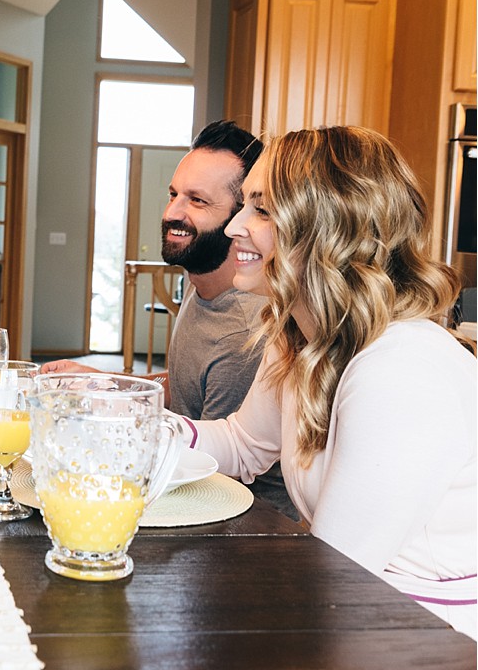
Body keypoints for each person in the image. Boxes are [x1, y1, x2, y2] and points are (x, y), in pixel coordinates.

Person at [191, 126, 476, 639]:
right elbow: (241, 443)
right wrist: (129, 425)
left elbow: (333, 575)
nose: (234, 225)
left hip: (430, 646)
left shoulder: (401, 372)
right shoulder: (301, 336)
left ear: (326, 228)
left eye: (261, 208)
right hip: (352, 613)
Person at [43, 120, 298, 519]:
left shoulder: (244, 333)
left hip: (234, 524)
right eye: (174, 194)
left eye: (197, 201)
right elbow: (186, 391)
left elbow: (216, 470)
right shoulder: (204, 285)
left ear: (240, 217)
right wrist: (112, 386)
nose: (172, 212)